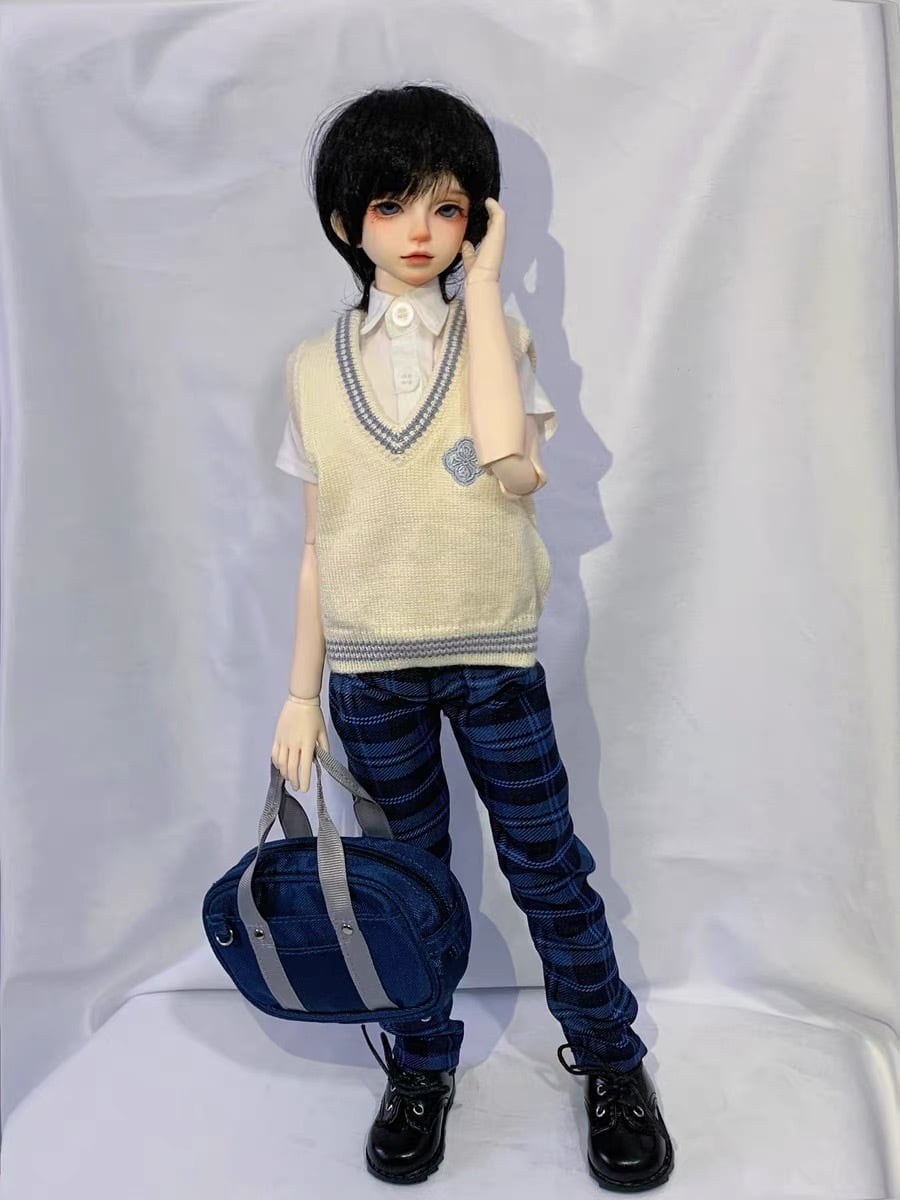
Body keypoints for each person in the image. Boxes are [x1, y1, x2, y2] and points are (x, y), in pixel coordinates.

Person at [271, 82, 674, 1191]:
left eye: (445, 208)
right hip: (369, 673)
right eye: (392, 204)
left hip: (492, 658)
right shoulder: (310, 368)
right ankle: (421, 1062)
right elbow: (316, 543)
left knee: (548, 868)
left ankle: (610, 1057)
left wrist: (487, 290)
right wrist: (300, 693)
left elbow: (511, 467)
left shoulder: (500, 337)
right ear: (346, 218)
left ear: (476, 221)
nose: (419, 231)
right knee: (405, 882)